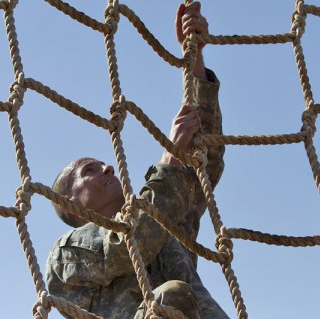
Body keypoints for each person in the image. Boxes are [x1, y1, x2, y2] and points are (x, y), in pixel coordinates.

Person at [45, 2, 228, 318]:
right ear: (68, 202)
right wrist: (169, 156)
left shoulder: (164, 222)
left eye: (101, 163)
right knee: (168, 299)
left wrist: (194, 60)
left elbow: (203, 168)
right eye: (89, 170)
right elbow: (132, 241)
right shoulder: (66, 254)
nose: (107, 167)